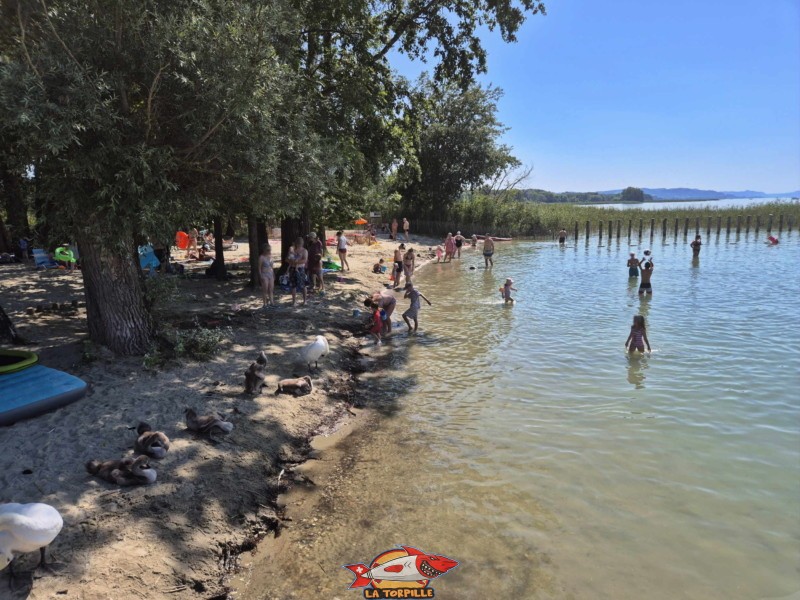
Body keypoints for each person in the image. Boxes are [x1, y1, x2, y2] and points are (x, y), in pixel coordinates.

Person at [287, 237, 308, 306]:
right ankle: (297, 301)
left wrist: (296, 262)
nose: (299, 245)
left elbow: (305, 260)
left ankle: (302, 301)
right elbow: (287, 259)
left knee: (301, 285)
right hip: (294, 268)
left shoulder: (304, 251)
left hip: (299, 268)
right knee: (295, 285)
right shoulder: (292, 250)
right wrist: (292, 261)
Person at [257, 243, 274, 308]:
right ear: (264, 250)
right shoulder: (261, 257)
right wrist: (260, 275)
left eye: (270, 250)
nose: (269, 251)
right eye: (268, 250)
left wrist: (273, 274)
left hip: (270, 274)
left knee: (271, 289)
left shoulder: (270, 256)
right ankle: (265, 304)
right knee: (265, 289)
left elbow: (272, 266)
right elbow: (259, 267)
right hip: (264, 274)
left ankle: (272, 302)